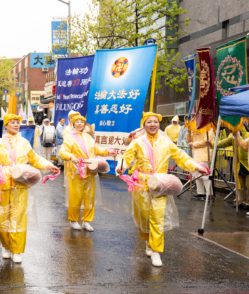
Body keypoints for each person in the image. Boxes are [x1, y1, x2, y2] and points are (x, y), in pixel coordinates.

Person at [117, 112, 208, 267]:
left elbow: (181, 156)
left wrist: (196, 167)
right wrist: (121, 166)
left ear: (159, 124)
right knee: (144, 216)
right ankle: (148, 241)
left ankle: (155, 250)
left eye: (155, 122)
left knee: (157, 218)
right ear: (144, 125)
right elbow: (126, 157)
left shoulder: (166, 142)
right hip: (142, 185)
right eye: (149, 122)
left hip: (160, 185)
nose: (152, 124)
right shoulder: (137, 142)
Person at [0, 114, 59, 262]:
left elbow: (34, 159)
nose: (16, 125)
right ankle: (6, 246)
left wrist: (48, 165)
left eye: (17, 122)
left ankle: (16, 250)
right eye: (13, 122)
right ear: (6, 125)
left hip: (20, 182)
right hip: (1, 183)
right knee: (0, 217)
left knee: (18, 217)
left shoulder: (24, 143)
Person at [60, 115, 115, 231]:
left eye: (81, 122)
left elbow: (96, 149)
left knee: (89, 198)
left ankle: (87, 221)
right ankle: (73, 220)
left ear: (84, 124)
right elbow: (63, 152)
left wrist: (108, 151)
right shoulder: (69, 137)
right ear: (73, 124)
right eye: (77, 122)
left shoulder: (88, 137)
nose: (79, 124)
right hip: (76, 171)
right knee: (76, 197)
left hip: (90, 170)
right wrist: (71, 157)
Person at [187, 128, 214, 199]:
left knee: (206, 176)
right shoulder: (195, 129)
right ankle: (200, 192)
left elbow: (206, 141)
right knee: (197, 175)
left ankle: (209, 193)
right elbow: (189, 140)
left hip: (204, 155)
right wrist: (188, 132)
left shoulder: (208, 128)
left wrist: (194, 144)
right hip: (196, 156)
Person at [229, 128, 249, 208]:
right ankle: (243, 202)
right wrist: (236, 136)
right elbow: (243, 145)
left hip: (246, 165)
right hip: (240, 165)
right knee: (241, 186)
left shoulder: (247, 135)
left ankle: (247, 203)